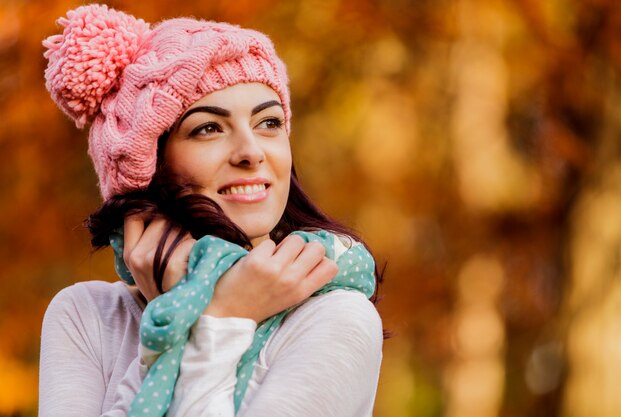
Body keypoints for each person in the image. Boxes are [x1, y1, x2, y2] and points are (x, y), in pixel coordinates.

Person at [39, 4, 383, 417]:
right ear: (149, 165)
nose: (252, 152)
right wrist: (189, 317)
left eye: (269, 123)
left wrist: (215, 318)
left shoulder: (336, 316)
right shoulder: (86, 317)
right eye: (208, 129)